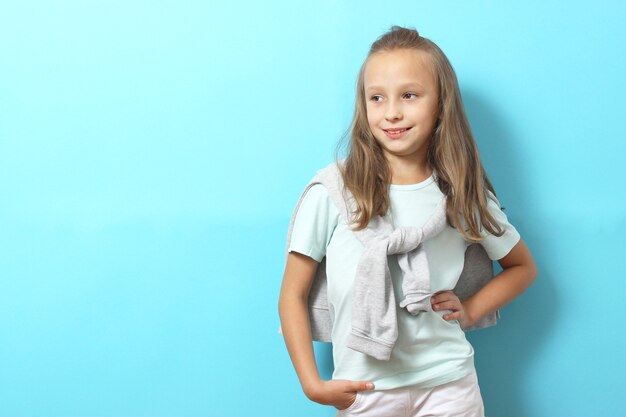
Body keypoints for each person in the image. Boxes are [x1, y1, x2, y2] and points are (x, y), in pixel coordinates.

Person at [278, 26, 537, 417]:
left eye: (410, 96)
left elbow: (522, 267)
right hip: (366, 390)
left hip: (449, 384)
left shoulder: (462, 194)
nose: (392, 112)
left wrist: (470, 309)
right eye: (377, 98)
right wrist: (312, 384)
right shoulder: (334, 192)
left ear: (441, 105)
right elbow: (292, 294)